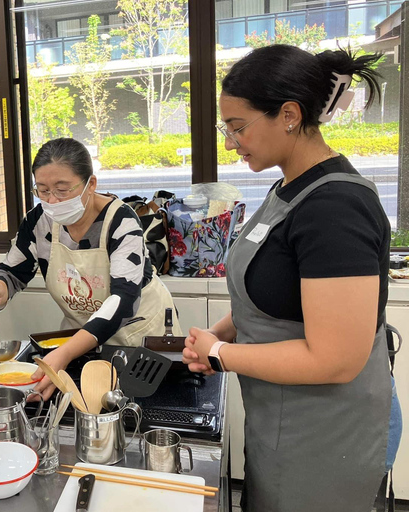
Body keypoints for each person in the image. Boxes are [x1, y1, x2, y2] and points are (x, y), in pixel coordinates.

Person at [182, 45, 393, 512]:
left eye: (237, 127)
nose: (230, 142)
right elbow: (271, 290)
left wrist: (220, 355)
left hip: (324, 432)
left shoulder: (335, 207)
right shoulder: (287, 190)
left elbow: (336, 359)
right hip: (279, 419)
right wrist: (220, 332)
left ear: (289, 115)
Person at [0, 138, 181, 400]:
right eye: (43, 190)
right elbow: (15, 269)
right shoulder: (39, 221)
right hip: (81, 343)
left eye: (62, 190)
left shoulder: (121, 221)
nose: (52, 200)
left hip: (138, 341)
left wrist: (66, 352)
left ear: (90, 184)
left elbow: (122, 301)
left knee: (137, 410)